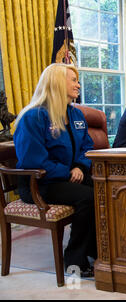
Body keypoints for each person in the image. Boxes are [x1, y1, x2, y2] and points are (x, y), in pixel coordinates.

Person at [13, 63, 97, 277]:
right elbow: (34, 160)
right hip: (39, 183)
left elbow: (87, 145)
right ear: (57, 83)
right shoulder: (33, 117)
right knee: (87, 198)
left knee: (104, 189)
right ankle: (74, 260)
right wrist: (68, 172)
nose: (78, 85)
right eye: (74, 80)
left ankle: (96, 249)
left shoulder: (75, 115)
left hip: (69, 174)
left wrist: (79, 166)